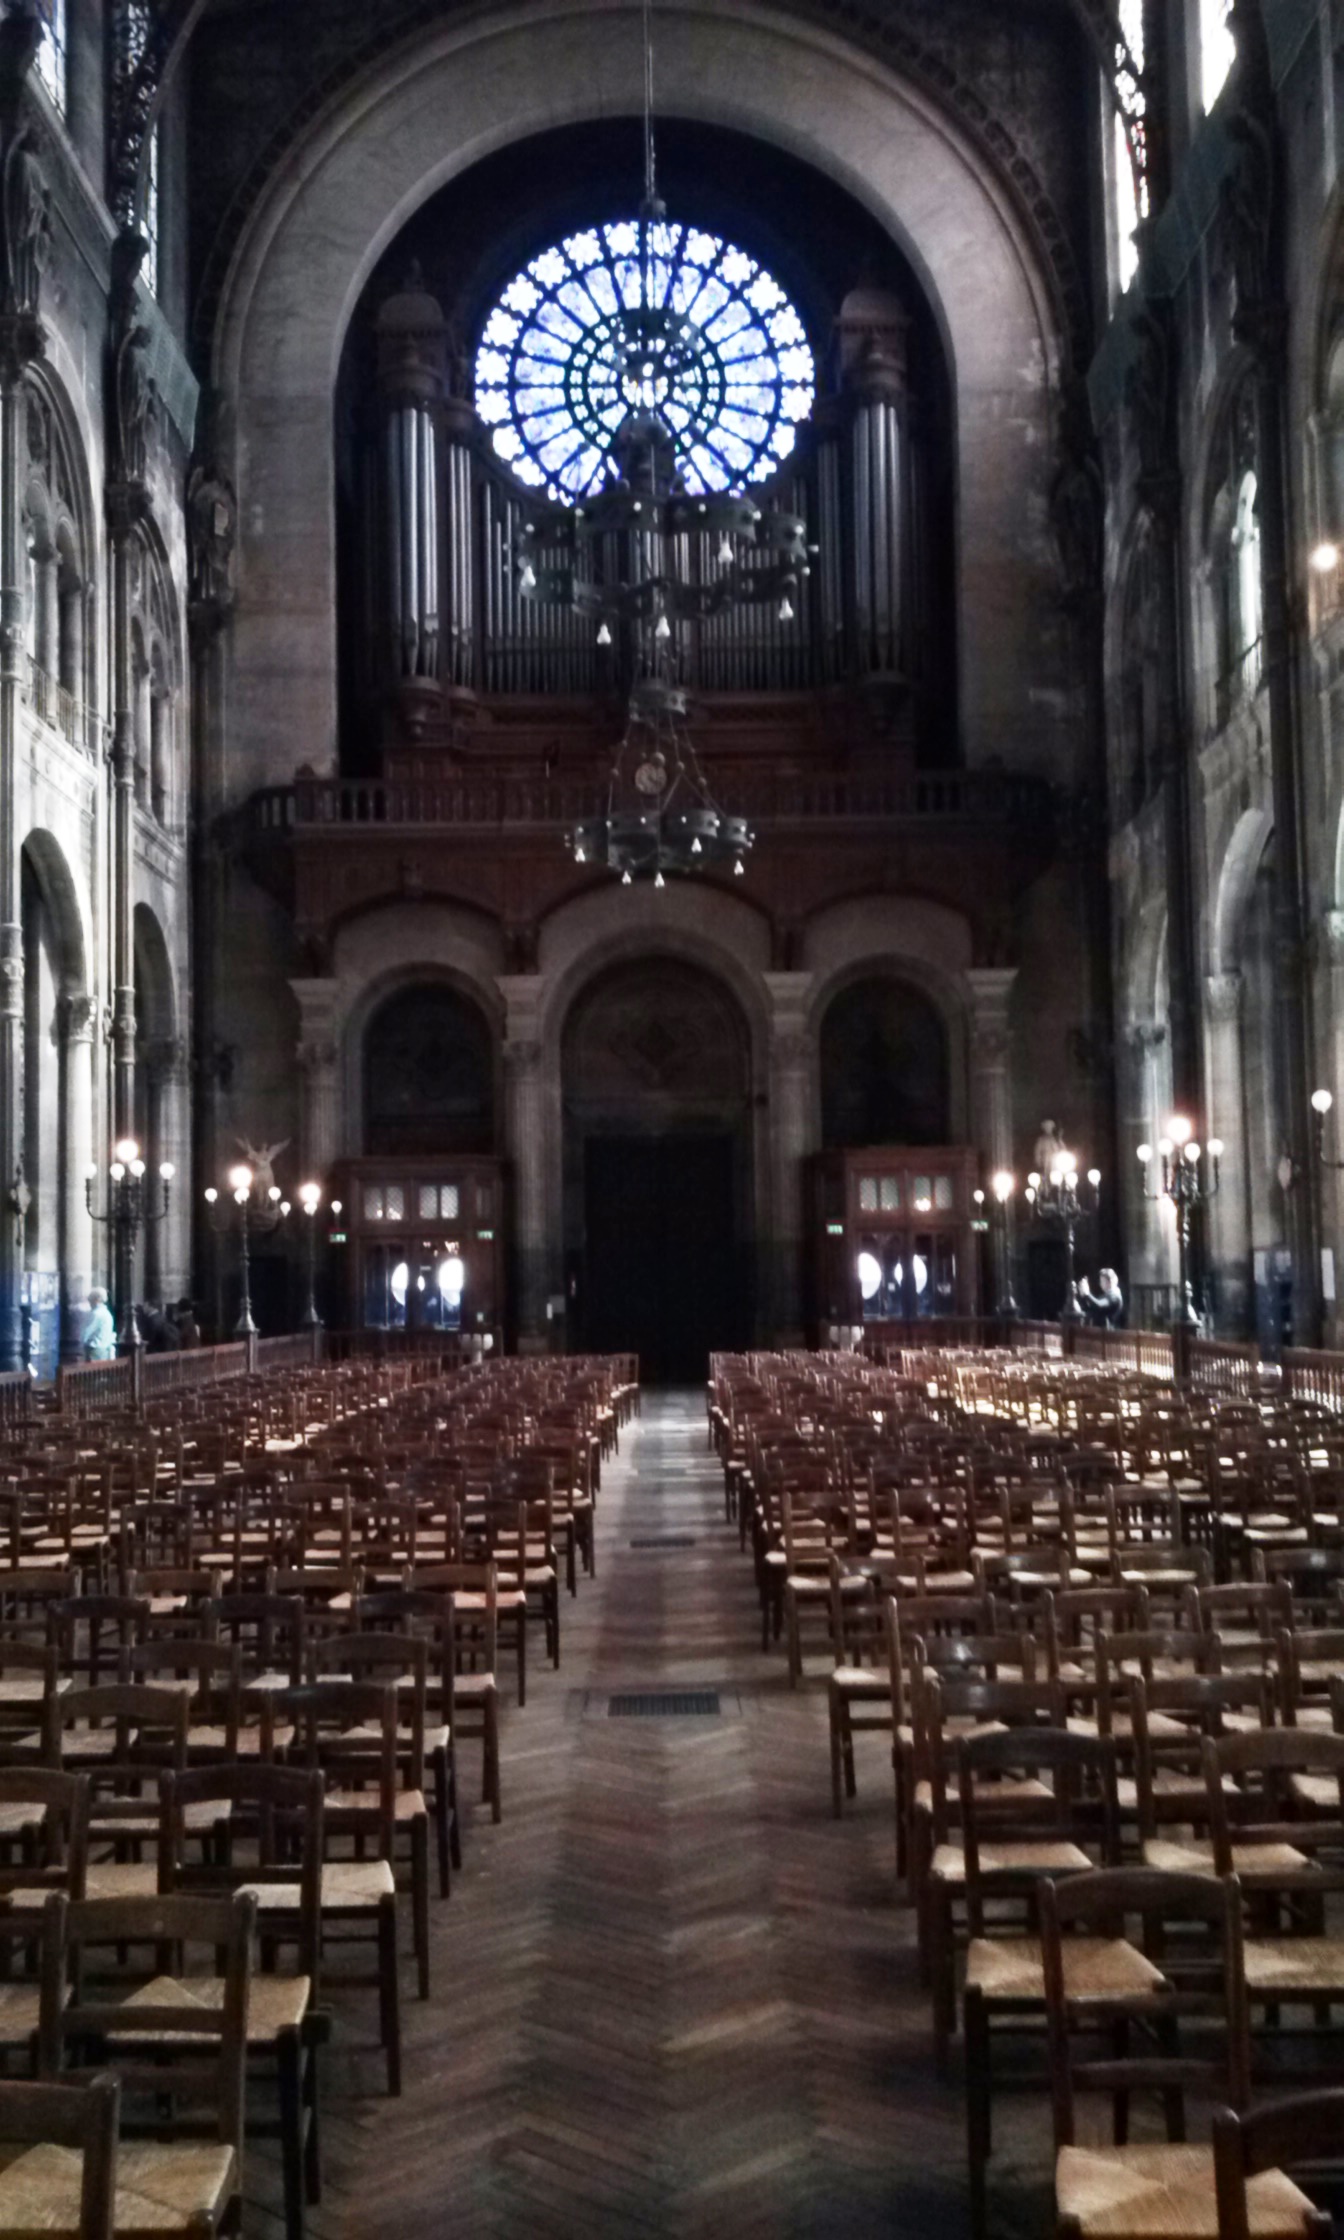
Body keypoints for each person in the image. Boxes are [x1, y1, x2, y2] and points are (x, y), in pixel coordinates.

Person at [81, 1288, 116, 1361]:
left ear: (97, 1299)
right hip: (105, 1349)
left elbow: (86, 1332)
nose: (89, 1301)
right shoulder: (107, 1314)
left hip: (94, 1350)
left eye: (91, 1299)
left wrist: (80, 1344)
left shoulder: (96, 1314)